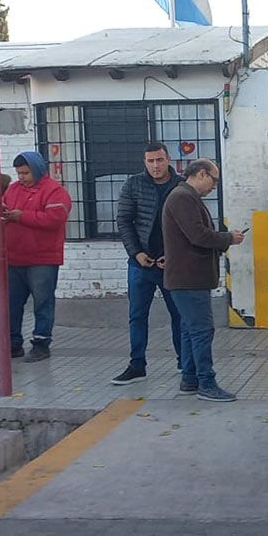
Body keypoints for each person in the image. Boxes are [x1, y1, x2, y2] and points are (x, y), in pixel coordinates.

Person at [162, 159, 245, 402]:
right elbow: (198, 235)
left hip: (188, 277)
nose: (214, 186)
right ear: (201, 174)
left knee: (190, 330)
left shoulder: (186, 196)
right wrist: (227, 238)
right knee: (201, 330)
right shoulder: (182, 197)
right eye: (213, 180)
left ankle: (190, 379)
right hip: (189, 278)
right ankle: (206, 383)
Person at [110, 142, 184, 386]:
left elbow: (188, 226)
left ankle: (185, 362)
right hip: (140, 263)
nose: (155, 166)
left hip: (171, 265)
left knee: (180, 315)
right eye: (150, 161)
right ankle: (137, 365)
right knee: (137, 316)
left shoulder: (181, 185)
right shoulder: (134, 184)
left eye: (159, 160)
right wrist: (136, 253)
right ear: (144, 162)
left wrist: (172, 255)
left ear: (168, 159)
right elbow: (124, 221)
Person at [2, 151, 71, 363]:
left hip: (42, 258)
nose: (21, 177)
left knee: (43, 303)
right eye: (19, 173)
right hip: (14, 257)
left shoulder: (55, 191)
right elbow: (3, 208)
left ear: (37, 170)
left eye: (25, 173)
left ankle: (41, 343)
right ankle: (13, 343)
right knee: (11, 303)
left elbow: (54, 218)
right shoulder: (12, 189)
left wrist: (20, 216)